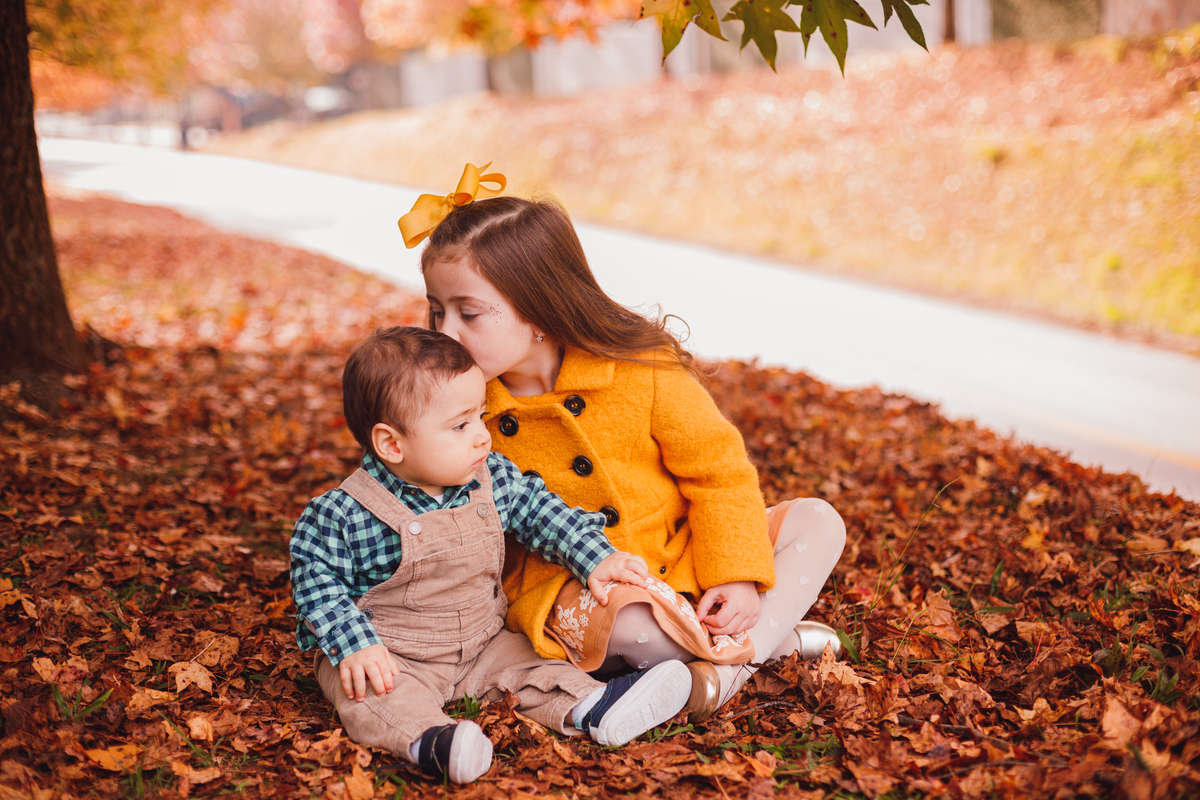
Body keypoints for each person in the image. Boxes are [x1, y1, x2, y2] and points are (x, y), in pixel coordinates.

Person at [401, 164, 848, 723]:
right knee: (637, 630)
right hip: (573, 581)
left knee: (819, 520)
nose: (446, 333)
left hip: (681, 553)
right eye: (438, 310)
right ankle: (765, 647)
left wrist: (734, 573)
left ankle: (719, 670)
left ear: (538, 307)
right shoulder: (460, 408)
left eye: (469, 313)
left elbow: (719, 473)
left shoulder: (641, 370)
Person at [289, 326, 694, 784]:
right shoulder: (345, 513)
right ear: (392, 445)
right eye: (461, 425)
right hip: (391, 653)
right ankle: (434, 742)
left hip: (483, 639)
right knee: (372, 695)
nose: (483, 437)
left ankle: (592, 706)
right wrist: (354, 645)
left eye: (480, 416)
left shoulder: (490, 476)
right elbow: (315, 582)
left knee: (531, 666)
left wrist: (595, 556)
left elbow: (544, 514)